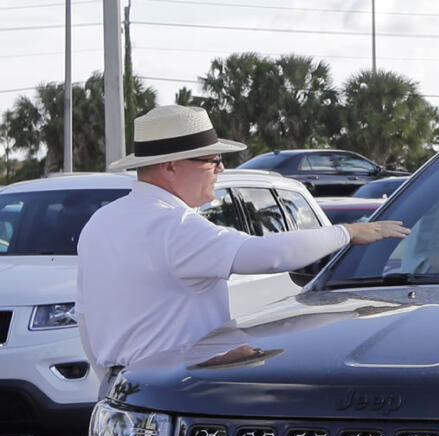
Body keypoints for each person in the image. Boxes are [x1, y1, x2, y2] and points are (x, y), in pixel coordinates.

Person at [76, 104, 410, 392]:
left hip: (122, 388)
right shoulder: (173, 226)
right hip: (176, 388)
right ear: (170, 166)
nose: (221, 169)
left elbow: (86, 317)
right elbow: (266, 255)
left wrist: (109, 381)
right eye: (212, 160)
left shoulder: (101, 222)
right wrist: (348, 232)